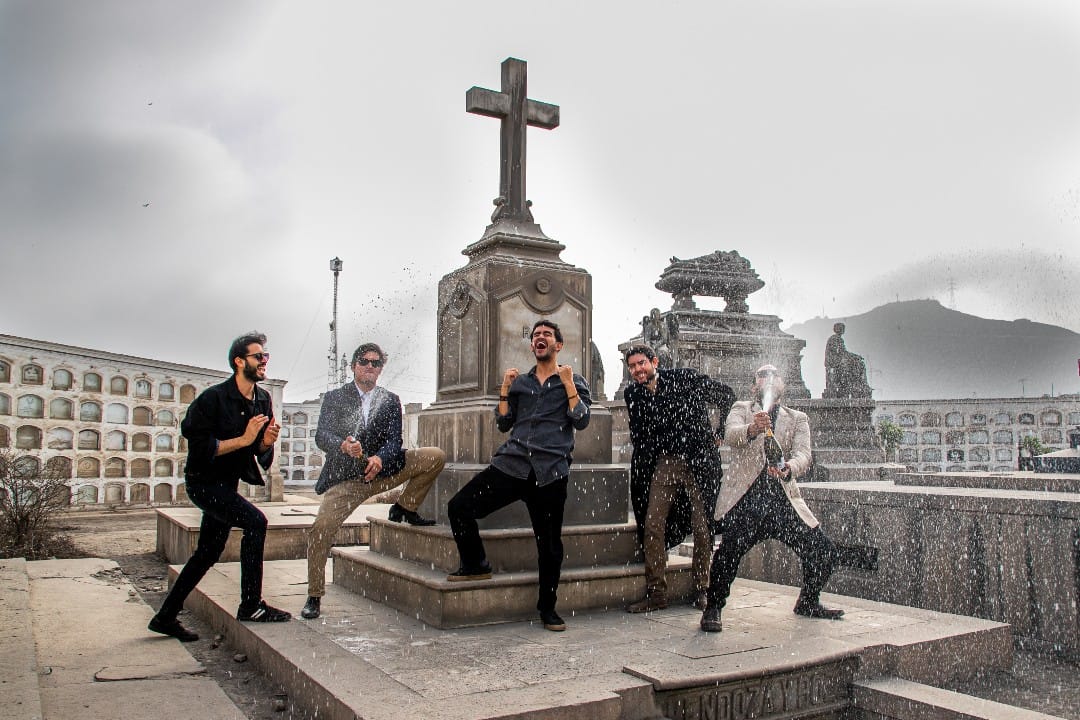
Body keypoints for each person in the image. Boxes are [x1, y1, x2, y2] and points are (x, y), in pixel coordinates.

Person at [446, 320, 591, 632]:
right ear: (533, 345)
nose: (540, 338)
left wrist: (567, 384)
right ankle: (475, 564)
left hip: (550, 473)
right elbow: (502, 423)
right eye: (536, 335)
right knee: (459, 507)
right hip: (511, 466)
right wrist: (504, 389)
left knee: (549, 545)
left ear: (558, 345)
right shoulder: (522, 384)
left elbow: (581, 420)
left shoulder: (574, 380)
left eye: (547, 335)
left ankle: (547, 608)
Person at [148, 332, 288, 641]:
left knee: (208, 552)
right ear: (240, 362)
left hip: (228, 484)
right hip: (204, 483)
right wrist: (244, 439)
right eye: (258, 357)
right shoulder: (213, 399)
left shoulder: (262, 399)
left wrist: (265, 442)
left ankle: (165, 616)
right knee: (256, 522)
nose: (264, 361)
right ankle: (251, 605)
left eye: (266, 357)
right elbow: (199, 447)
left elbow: (258, 452)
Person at [300, 343, 446, 620]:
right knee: (320, 531)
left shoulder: (390, 399)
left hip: (382, 472)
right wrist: (343, 445)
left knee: (434, 457)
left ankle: (404, 507)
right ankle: (314, 595)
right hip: (347, 481)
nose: (370, 366)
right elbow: (322, 436)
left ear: (381, 368)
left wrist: (379, 458)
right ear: (354, 365)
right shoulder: (335, 397)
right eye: (364, 361)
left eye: (376, 363)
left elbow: (395, 440)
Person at [700, 364, 843, 633]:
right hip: (747, 499)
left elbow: (804, 454)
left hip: (782, 500)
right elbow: (731, 436)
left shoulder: (797, 417)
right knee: (728, 554)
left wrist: (789, 467)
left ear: (782, 385)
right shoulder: (742, 409)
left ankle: (808, 601)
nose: (768, 379)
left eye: (774, 375)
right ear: (754, 385)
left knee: (823, 550)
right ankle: (713, 608)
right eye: (762, 375)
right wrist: (752, 428)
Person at [622, 345, 734, 613]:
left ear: (654, 362)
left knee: (702, 526)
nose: (638, 370)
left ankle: (702, 589)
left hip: (699, 460)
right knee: (652, 525)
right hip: (665, 463)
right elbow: (639, 435)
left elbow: (726, 395)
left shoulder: (684, 378)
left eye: (641, 364)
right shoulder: (633, 394)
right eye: (632, 366)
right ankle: (657, 593)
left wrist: (719, 430)